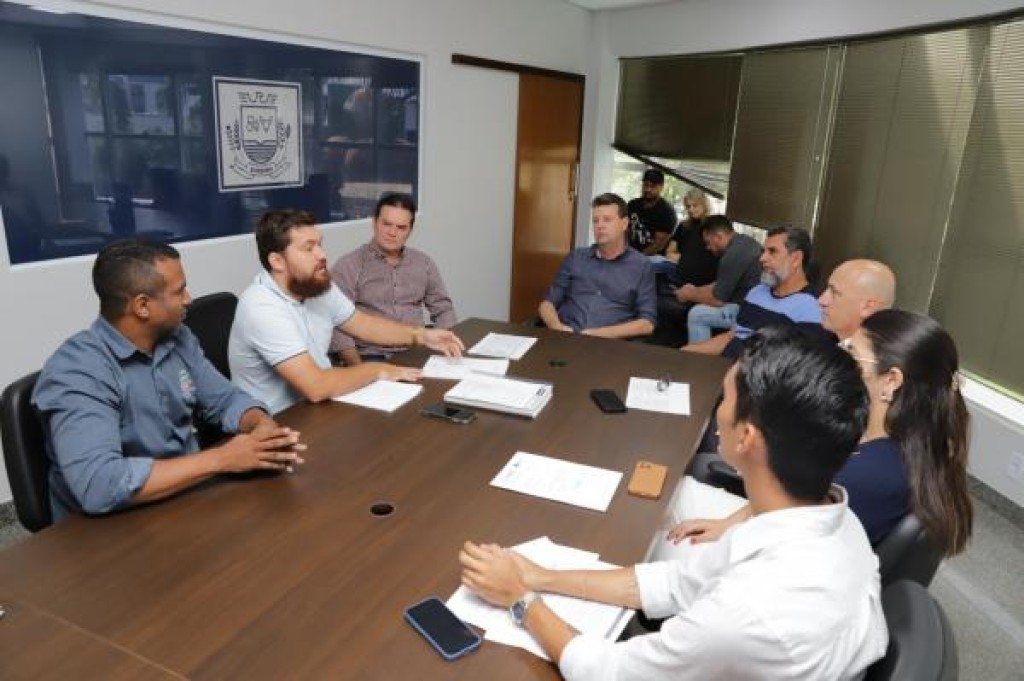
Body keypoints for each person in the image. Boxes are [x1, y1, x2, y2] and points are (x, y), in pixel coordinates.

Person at [460, 326, 886, 680]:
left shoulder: (746, 615)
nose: (718, 410)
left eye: (724, 398)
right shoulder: (839, 521)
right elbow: (674, 583)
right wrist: (542, 577)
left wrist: (519, 599)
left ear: (746, 437)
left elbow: (604, 671)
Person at [662, 309, 973, 559]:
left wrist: (725, 533)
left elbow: (777, 536)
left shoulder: (864, 477)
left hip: (774, 558)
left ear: (891, 380)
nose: (840, 357)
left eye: (851, 353)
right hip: (782, 534)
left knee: (670, 505)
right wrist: (726, 523)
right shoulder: (914, 446)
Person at [32, 239, 306, 520]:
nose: (188, 299)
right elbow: (99, 486)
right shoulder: (78, 371)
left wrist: (260, 425)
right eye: (179, 291)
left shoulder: (177, 337)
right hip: (110, 528)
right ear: (142, 306)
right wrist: (221, 459)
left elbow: (226, 400)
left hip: (183, 496)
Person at [229, 209, 464, 414]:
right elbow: (316, 386)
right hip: (277, 423)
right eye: (309, 248)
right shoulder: (261, 307)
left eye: (319, 244)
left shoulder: (315, 285)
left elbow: (363, 325)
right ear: (277, 261)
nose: (322, 255)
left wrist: (421, 335)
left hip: (321, 407)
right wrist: (379, 370)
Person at [329, 193, 456, 365]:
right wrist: (359, 369)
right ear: (374, 223)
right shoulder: (349, 265)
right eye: (386, 224)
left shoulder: (424, 263)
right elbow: (337, 324)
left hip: (416, 351)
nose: (392, 232)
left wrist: (443, 344)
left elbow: (443, 309)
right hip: (370, 355)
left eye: (401, 227)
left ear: (410, 230)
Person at [682, 225, 829, 357]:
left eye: (772, 251)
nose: (762, 258)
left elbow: (795, 368)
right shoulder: (757, 292)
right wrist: (686, 351)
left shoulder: (813, 308)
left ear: (796, 258)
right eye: (763, 251)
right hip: (724, 368)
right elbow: (733, 337)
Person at [539, 193, 656, 339]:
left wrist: (594, 335)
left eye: (607, 220)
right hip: (564, 337)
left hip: (608, 345)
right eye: (595, 221)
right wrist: (557, 327)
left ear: (624, 224)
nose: (599, 226)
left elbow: (647, 324)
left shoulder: (642, 266)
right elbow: (547, 304)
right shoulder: (576, 257)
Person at [676, 215, 762, 344]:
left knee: (697, 314)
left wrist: (688, 294)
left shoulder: (731, 257)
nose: (707, 248)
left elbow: (718, 300)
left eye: (708, 242)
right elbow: (720, 285)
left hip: (749, 311)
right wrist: (694, 290)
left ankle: (698, 355)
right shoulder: (744, 242)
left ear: (718, 236)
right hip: (748, 303)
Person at [819, 259, 896, 341]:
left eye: (834, 293)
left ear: (867, 307)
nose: (821, 300)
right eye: (827, 288)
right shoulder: (819, 340)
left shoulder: (887, 349)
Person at [626, 169, 677, 256]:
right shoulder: (632, 204)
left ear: (661, 187)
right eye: (646, 185)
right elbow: (625, 231)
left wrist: (638, 258)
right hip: (630, 253)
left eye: (653, 186)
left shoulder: (667, 212)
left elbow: (657, 245)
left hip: (653, 258)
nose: (648, 189)